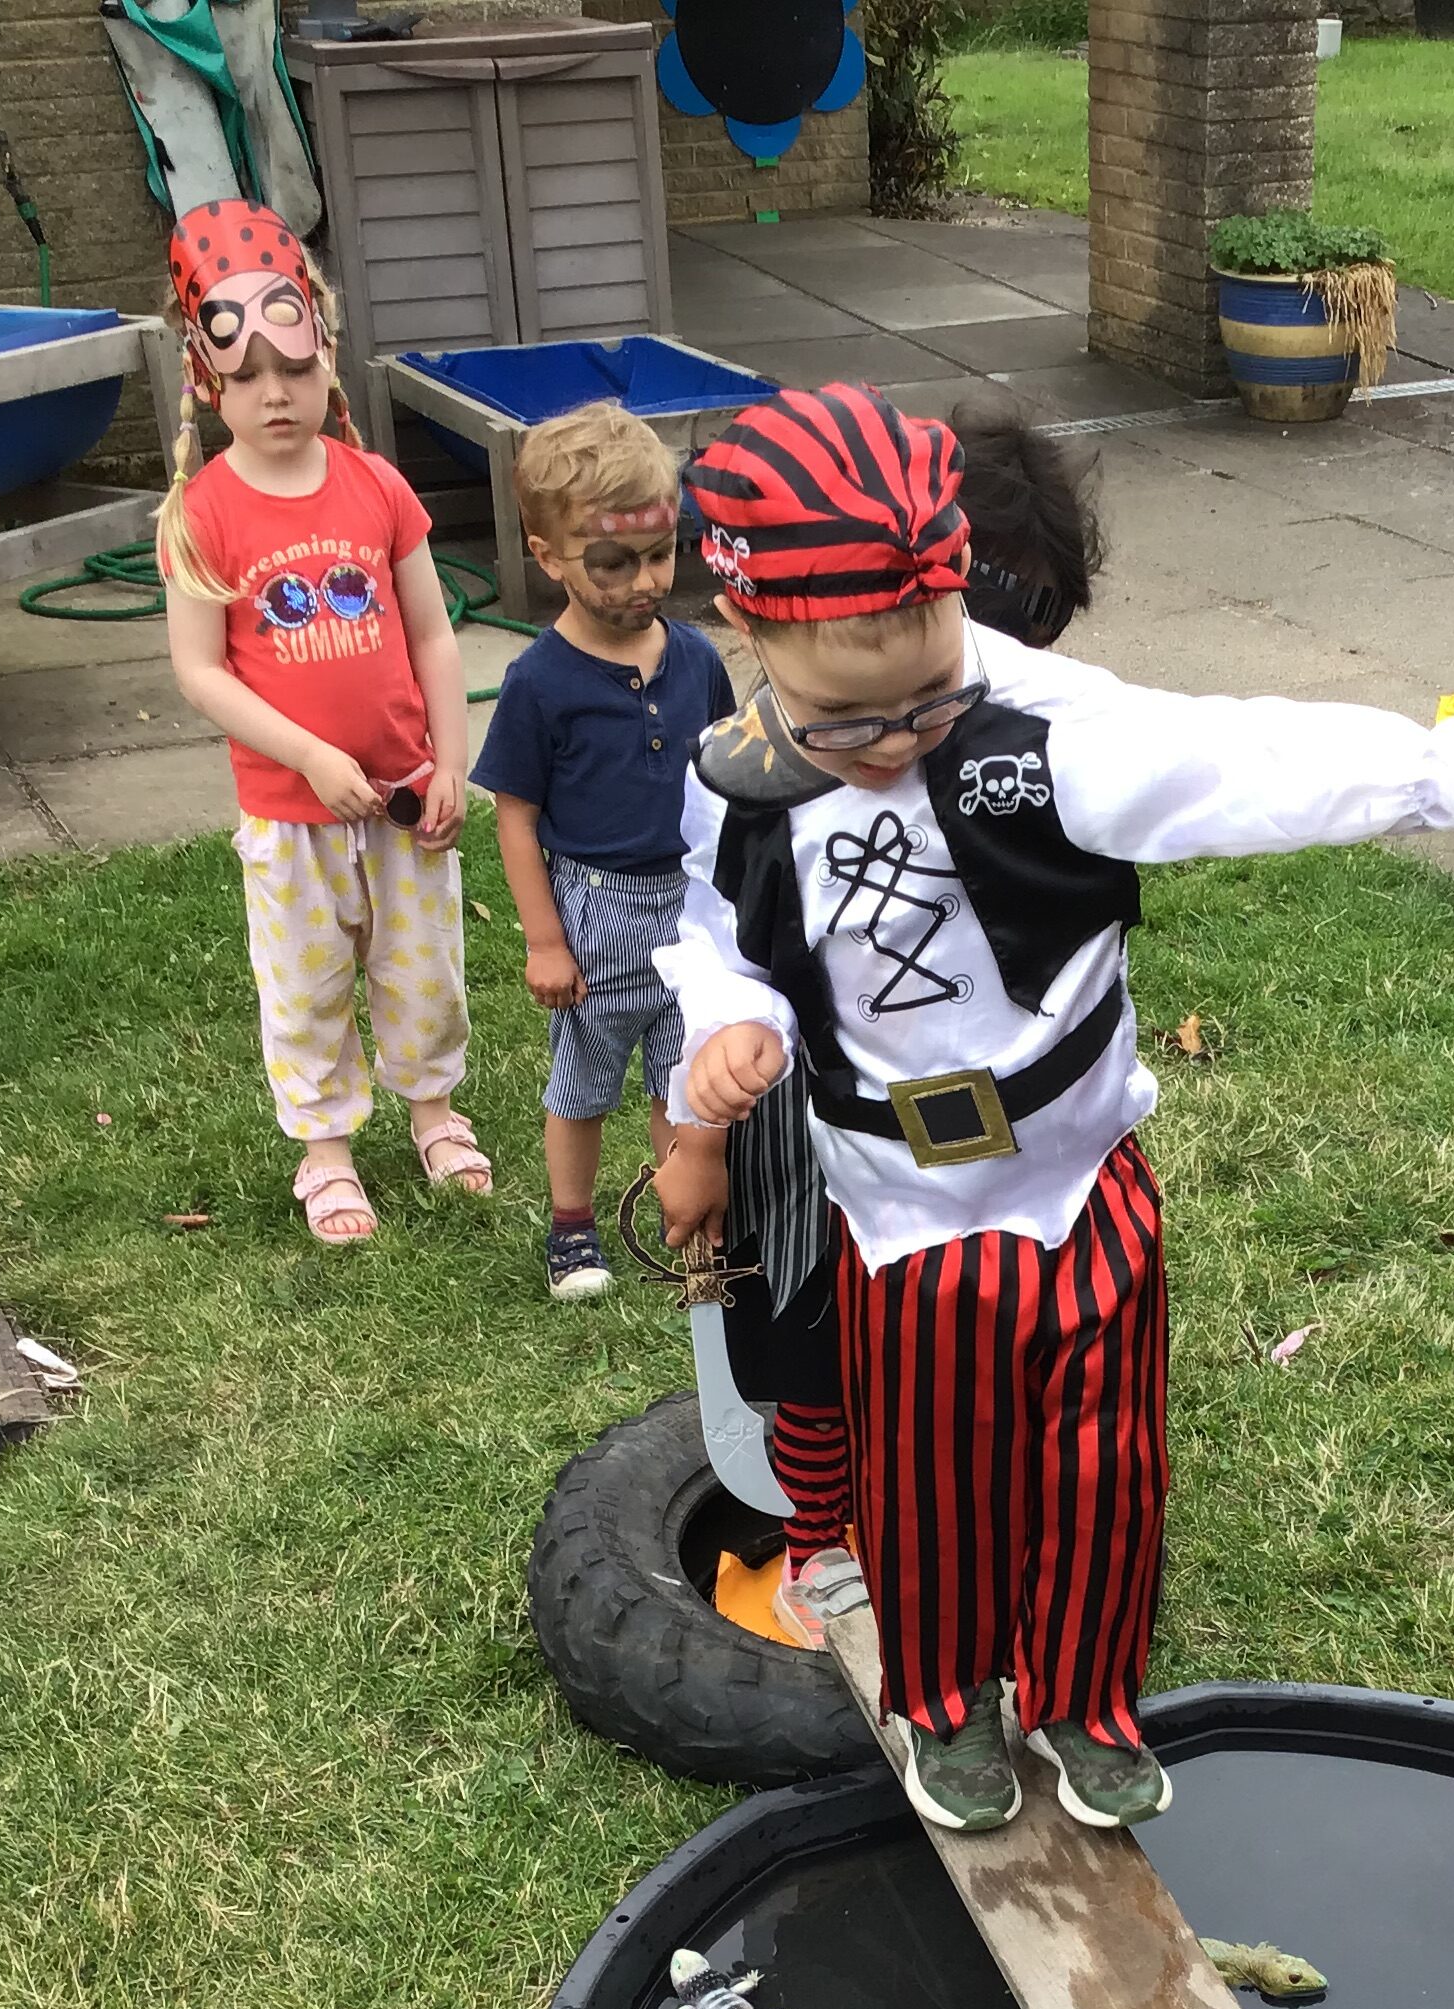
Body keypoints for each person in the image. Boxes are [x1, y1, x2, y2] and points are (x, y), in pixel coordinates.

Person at [655, 383, 1454, 1837]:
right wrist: (729, 1031)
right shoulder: (737, 784)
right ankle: (946, 1704)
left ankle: (1085, 1694)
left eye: (925, 699)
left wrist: (1435, 769)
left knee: (1104, 1464)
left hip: (1079, 1174)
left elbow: (1230, 761)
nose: (891, 743)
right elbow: (720, 940)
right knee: (930, 1482)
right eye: (847, 720)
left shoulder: (1044, 726)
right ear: (750, 632)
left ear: (954, 597)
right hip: (903, 1214)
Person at [660, 398, 1110, 1646]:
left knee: (978, 1346)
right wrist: (697, 1138)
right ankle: (821, 1547)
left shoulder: (1017, 755)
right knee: (811, 1351)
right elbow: (716, 952)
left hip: (977, 1144)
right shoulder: (751, 780)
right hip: (816, 1135)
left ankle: (978, 1525)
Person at [158, 201, 488, 1245]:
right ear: (207, 381)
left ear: (327, 359)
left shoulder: (377, 486)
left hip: (402, 800)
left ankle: (434, 1113)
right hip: (290, 813)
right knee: (306, 985)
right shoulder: (202, 515)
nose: (276, 394)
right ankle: (327, 1149)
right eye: (249, 376)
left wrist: (449, 762)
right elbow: (198, 671)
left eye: (295, 369)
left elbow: (433, 636)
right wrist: (306, 753)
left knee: (422, 968)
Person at [472, 405, 735, 1300]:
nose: (644, 581)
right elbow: (516, 821)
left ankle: (684, 1224)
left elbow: (724, 781)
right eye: (613, 562)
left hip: (687, 905)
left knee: (682, 1078)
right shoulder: (538, 682)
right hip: (595, 913)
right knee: (583, 1083)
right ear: (548, 556)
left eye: (662, 554)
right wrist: (546, 941)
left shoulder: (696, 660)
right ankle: (573, 1229)